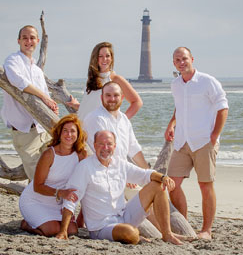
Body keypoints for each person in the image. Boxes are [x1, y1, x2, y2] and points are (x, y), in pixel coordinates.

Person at [56, 130, 186, 245]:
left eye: (109, 144)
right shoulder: (85, 167)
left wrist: (164, 178)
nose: (105, 148)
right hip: (101, 227)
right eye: (101, 144)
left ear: (114, 146)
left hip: (124, 216)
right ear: (94, 145)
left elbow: (145, 174)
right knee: (130, 233)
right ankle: (136, 237)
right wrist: (63, 231)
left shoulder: (120, 164)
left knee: (157, 186)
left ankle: (167, 234)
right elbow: (71, 199)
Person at [164, 47, 229, 240]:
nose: (181, 62)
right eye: (177, 59)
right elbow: (179, 107)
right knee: (172, 184)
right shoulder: (175, 84)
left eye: (184, 58)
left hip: (203, 141)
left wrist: (215, 135)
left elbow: (223, 107)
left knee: (205, 185)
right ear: (174, 63)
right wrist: (171, 124)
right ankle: (183, 223)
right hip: (182, 142)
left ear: (192, 59)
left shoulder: (208, 82)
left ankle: (206, 230)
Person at [0, 25, 59, 180]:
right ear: (19, 41)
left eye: (32, 38)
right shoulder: (12, 60)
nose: (28, 41)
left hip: (42, 130)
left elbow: (46, 95)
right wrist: (45, 97)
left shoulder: (37, 71)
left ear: (38, 41)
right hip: (24, 131)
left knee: (52, 173)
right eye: (25, 37)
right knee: (37, 179)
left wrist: (51, 106)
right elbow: (18, 81)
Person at [19, 114, 87, 237]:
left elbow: (87, 182)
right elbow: (37, 187)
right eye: (65, 131)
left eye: (72, 131)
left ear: (78, 134)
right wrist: (61, 193)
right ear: (59, 133)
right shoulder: (49, 154)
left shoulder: (81, 155)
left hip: (58, 203)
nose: (69, 135)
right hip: (35, 200)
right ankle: (26, 225)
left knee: (72, 230)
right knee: (51, 230)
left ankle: (40, 223)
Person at [67, 42, 143, 121]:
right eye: (100, 56)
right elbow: (93, 105)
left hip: (100, 130)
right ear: (95, 58)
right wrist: (77, 105)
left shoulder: (116, 79)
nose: (104, 59)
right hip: (83, 128)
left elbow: (137, 102)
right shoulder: (91, 79)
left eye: (107, 56)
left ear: (111, 58)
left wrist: (121, 122)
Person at [83, 81, 149, 170]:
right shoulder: (96, 118)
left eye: (116, 95)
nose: (112, 99)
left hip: (120, 170)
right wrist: (124, 175)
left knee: (157, 181)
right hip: (101, 172)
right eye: (108, 95)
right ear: (102, 98)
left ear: (122, 97)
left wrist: (148, 172)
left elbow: (133, 148)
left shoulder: (124, 119)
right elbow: (103, 153)